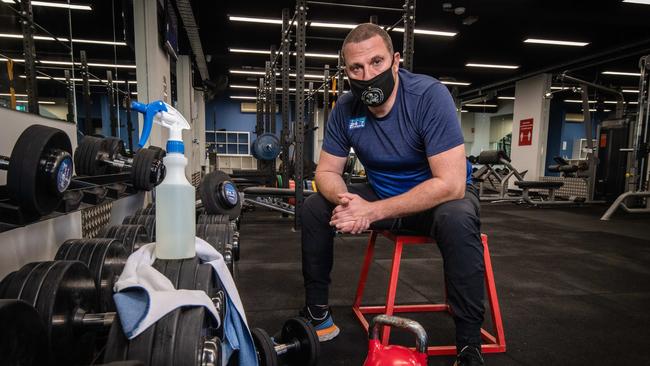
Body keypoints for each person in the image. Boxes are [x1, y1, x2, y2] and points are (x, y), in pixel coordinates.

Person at [299, 23, 485, 366]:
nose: (367, 75)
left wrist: (372, 211)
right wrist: (347, 201)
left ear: (395, 62)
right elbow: (325, 172)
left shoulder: (429, 96)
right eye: (357, 68)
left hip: (437, 202)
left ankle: (468, 346)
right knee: (313, 206)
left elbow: (451, 183)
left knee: (458, 217)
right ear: (347, 71)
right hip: (381, 194)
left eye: (377, 63)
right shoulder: (346, 108)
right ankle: (318, 314)